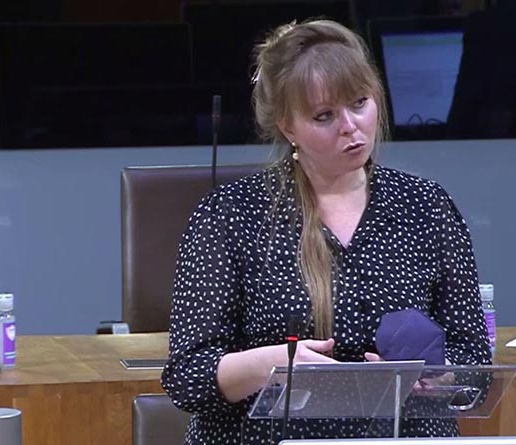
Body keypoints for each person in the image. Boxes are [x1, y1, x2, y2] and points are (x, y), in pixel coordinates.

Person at [161, 18, 491, 445]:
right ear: (287, 126)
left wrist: (438, 377)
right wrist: (275, 366)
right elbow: (188, 377)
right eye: (324, 116)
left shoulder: (426, 206)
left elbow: (474, 364)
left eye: (359, 103)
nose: (350, 127)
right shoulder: (229, 216)